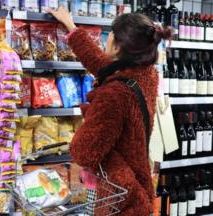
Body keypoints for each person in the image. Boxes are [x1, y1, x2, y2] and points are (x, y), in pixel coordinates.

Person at [47, 7, 172, 215]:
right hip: (139, 182)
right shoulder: (146, 74)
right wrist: (71, 27)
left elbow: (85, 153)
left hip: (119, 195)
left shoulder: (114, 94)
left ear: (115, 46)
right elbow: (101, 63)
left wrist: (87, 119)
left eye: (109, 36)